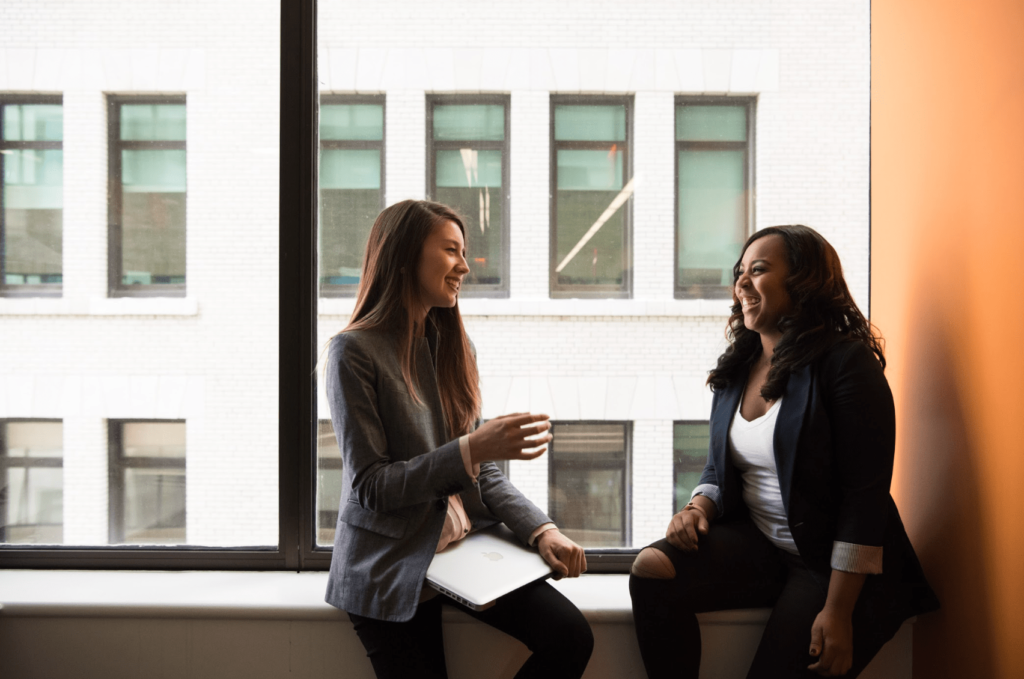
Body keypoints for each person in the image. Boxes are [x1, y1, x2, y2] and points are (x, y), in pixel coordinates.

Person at [629, 225, 938, 678]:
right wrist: (699, 504)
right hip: (767, 545)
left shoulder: (846, 363)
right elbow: (721, 464)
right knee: (651, 570)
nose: (742, 283)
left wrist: (838, 613)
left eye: (758, 270)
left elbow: (863, 498)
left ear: (804, 281)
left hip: (833, 569)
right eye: (739, 273)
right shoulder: (739, 366)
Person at [323, 199, 594, 679]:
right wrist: (472, 448)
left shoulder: (454, 346)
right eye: (451, 250)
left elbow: (482, 472)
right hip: (389, 563)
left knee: (571, 636)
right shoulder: (353, 352)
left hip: (459, 555)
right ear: (405, 256)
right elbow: (371, 486)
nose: (465, 266)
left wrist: (541, 530)